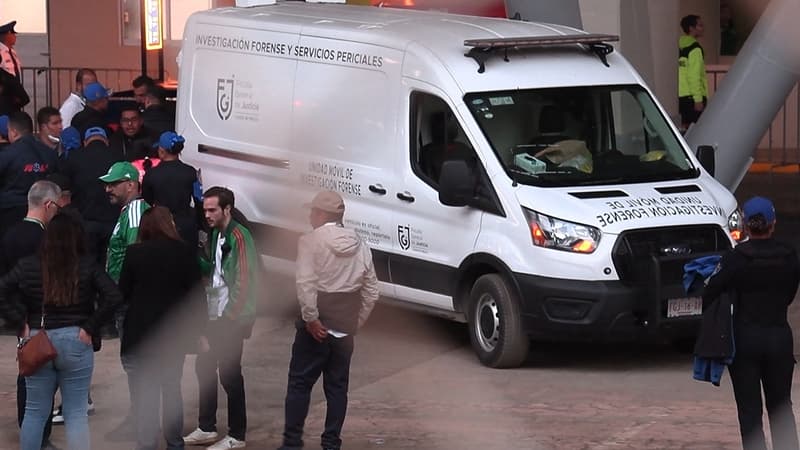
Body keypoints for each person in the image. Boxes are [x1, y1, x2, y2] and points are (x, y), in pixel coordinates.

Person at [0, 213, 123, 450]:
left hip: (38, 338)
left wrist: (20, 323)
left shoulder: (28, 265)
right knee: (76, 413)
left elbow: (2, 290)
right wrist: (91, 326)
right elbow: (113, 296)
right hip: (77, 339)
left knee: (34, 412)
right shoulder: (87, 265)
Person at [278, 191, 379, 450]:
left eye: (313, 211)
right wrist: (357, 322)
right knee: (337, 389)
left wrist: (311, 319)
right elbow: (371, 291)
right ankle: (331, 442)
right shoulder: (360, 244)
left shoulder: (310, 242)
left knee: (299, 384)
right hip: (344, 329)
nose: (310, 216)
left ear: (322, 215)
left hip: (315, 328)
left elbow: (306, 283)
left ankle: (292, 443)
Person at [703, 196, 800, 450]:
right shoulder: (789, 256)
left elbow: (710, 290)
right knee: (781, 407)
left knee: (749, 411)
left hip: (745, 340)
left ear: (745, 225)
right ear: (773, 223)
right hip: (779, 337)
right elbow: (790, 293)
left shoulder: (736, 258)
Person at [118, 206, 204, 450]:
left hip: (141, 333)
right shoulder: (185, 253)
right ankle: (175, 443)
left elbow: (122, 293)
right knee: (171, 389)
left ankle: (146, 444)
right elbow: (197, 296)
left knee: (146, 394)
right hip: (172, 334)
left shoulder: (134, 253)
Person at [183, 187, 258, 450]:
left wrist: (230, 318)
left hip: (231, 318)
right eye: (205, 210)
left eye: (212, 209)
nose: (207, 214)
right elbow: (215, 271)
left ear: (227, 209)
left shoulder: (239, 236)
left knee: (229, 374)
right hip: (215, 315)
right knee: (204, 367)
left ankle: (237, 434)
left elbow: (245, 282)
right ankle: (206, 426)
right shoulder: (216, 235)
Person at [99, 161, 150, 440]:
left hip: (129, 300)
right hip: (127, 298)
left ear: (131, 184)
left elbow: (135, 255)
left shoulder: (134, 213)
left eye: (114, 183)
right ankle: (139, 418)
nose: (108, 188)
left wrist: (125, 295)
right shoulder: (129, 211)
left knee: (135, 363)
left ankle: (141, 422)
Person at [61, 127, 122, 263]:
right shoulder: (118, 157)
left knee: (86, 264)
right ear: (106, 141)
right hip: (112, 221)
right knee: (111, 263)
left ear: (85, 142)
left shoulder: (74, 157)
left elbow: (65, 188)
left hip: (84, 221)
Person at [0, 111, 59, 240]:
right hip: (41, 213)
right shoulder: (49, 154)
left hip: (9, 213)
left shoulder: (6, 155)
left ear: (13, 132)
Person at [142, 131, 201, 249]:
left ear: (162, 152)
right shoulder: (191, 172)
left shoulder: (152, 174)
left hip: (160, 226)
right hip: (187, 227)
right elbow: (199, 200)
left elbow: (146, 203)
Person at [678, 14, 708, 131]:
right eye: (700, 25)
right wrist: (698, 99)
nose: (703, 28)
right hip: (692, 97)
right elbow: (694, 76)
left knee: (684, 129)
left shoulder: (678, 46)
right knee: (696, 131)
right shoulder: (695, 49)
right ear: (691, 28)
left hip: (681, 95)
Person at [0, 21, 28, 116]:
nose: (15, 37)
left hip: (15, 93)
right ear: (7, 35)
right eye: (13, 34)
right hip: (5, 94)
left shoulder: (12, 52)